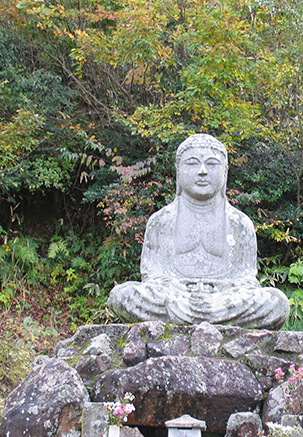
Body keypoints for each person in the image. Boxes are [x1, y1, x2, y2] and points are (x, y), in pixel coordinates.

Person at [107, 134, 290, 329]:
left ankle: (196, 317)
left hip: (224, 301)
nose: (202, 171)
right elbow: (152, 277)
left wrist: (218, 295)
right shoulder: (160, 221)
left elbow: (246, 281)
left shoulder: (240, 223)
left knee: (277, 302)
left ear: (225, 172)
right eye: (192, 164)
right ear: (178, 172)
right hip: (175, 299)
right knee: (122, 295)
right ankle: (209, 318)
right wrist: (178, 291)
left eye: (212, 164)